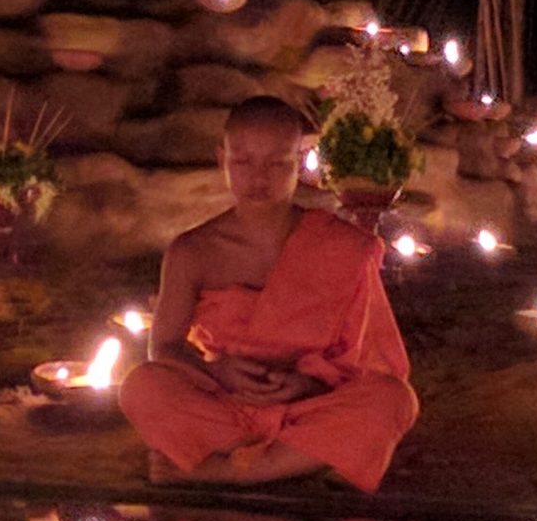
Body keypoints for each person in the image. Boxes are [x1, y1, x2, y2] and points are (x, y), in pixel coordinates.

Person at [117, 97, 418, 489]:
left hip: (309, 403)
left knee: (393, 400)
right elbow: (165, 348)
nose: (260, 177)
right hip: (225, 402)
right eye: (243, 162)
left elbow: (365, 358)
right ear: (221, 159)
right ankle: (298, 461)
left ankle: (226, 471)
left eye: (278, 163)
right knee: (141, 387)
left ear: (301, 162)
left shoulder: (341, 246)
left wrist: (306, 384)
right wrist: (216, 370)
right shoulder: (192, 251)